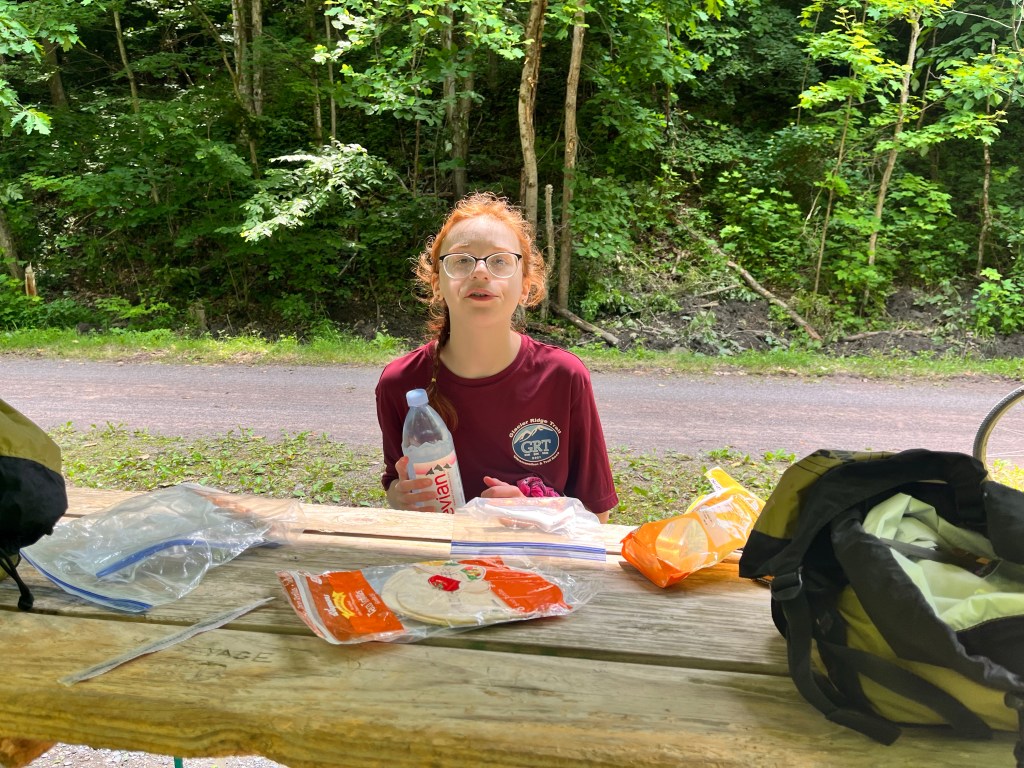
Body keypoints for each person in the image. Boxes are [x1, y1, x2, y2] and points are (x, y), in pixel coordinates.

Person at [375, 191, 618, 523]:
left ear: (525, 286)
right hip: (440, 555)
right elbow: (395, 483)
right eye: (461, 260)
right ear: (437, 284)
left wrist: (534, 510)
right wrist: (400, 496)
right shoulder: (399, 383)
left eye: (500, 261)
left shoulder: (563, 377)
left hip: (535, 555)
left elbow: (597, 514)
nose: (480, 272)